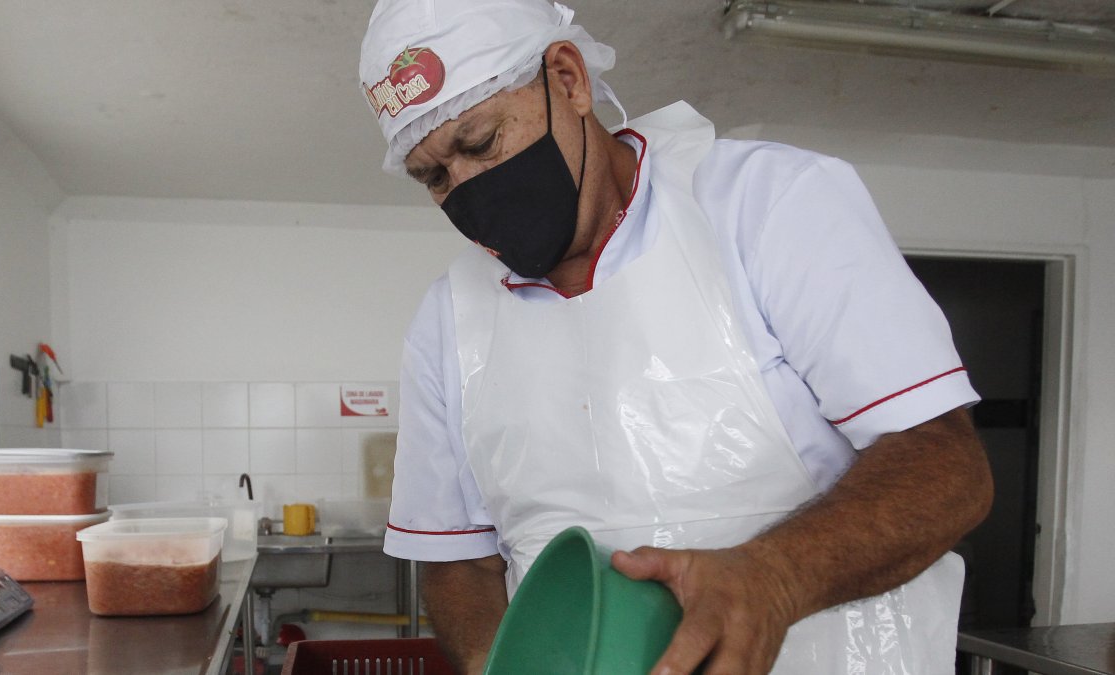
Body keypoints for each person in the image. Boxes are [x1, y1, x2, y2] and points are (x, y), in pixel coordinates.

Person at [358, 1, 993, 673]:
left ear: (567, 79)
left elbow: (946, 468)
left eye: (480, 142)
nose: (464, 187)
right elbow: (459, 564)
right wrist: (502, 662)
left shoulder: (767, 206)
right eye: (433, 176)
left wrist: (774, 577)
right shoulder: (448, 320)